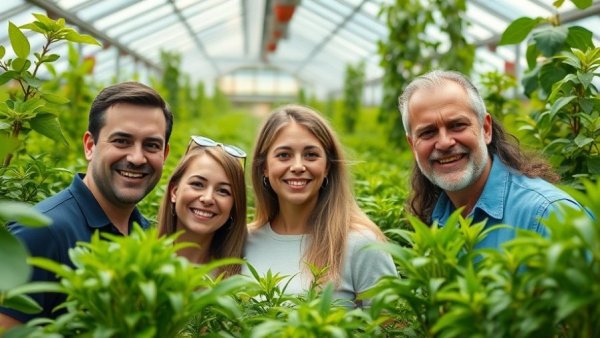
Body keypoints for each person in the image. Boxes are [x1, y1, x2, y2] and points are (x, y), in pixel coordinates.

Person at [0, 82, 173, 328]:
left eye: (151, 145)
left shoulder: (146, 236)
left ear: (164, 155)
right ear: (90, 146)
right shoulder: (41, 232)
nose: (137, 157)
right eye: (122, 141)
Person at [399, 69, 583, 249]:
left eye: (457, 125)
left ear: (486, 129)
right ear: (412, 145)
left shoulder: (549, 215)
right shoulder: (432, 219)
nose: (445, 143)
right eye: (428, 132)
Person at [243, 104, 397, 307]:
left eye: (311, 155)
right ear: (264, 167)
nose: (298, 166)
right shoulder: (244, 240)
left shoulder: (361, 243)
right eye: (283, 155)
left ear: (327, 167)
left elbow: (393, 328)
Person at [157, 135, 247, 277]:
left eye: (223, 191)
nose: (207, 198)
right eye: (197, 184)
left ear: (233, 207)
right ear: (174, 192)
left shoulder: (239, 282)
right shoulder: (139, 260)